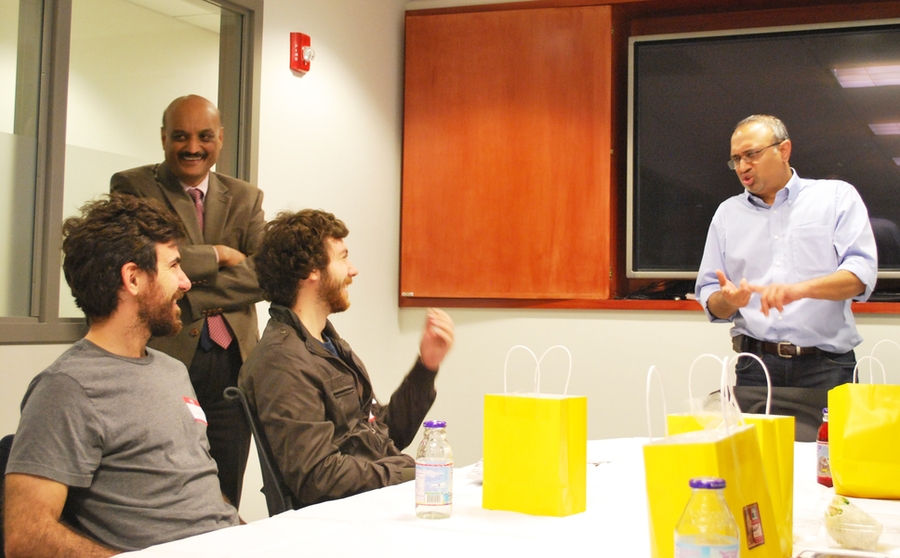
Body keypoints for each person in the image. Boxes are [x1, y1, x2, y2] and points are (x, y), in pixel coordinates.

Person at [4, 194, 240, 557]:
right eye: (174, 266)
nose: (185, 282)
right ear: (132, 278)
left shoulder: (172, 370)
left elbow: (196, 486)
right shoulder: (66, 388)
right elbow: (26, 536)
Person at [238, 209, 455, 507]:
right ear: (311, 271)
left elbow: (382, 435)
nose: (353, 271)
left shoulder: (328, 343)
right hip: (342, 520)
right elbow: (317, 476)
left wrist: (426, 367)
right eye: (342, 258)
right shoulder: (281, 362)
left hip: (368, 505)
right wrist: (407, 473)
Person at [110, 94, 264, 507]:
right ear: (163, 137)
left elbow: (265, 274)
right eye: (180, 136)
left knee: (227, 486)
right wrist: (218, 254)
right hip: (165, 352)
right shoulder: (133, 187)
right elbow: (142, 258)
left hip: (234, 362)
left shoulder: (246, 197)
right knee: (166, 481)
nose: (192, 147)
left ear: (221, 138)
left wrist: (184, 291)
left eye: (204, 136)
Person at [695, 114, 877, 389]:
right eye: (736, 159)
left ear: (784, 150)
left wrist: (798, 290)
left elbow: (860, 276)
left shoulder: (836, 197)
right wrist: (729, 300)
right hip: (756, 368)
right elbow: (712, 299)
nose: (743, 167)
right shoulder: (727, 214)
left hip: (828, 366)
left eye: (751, 154)